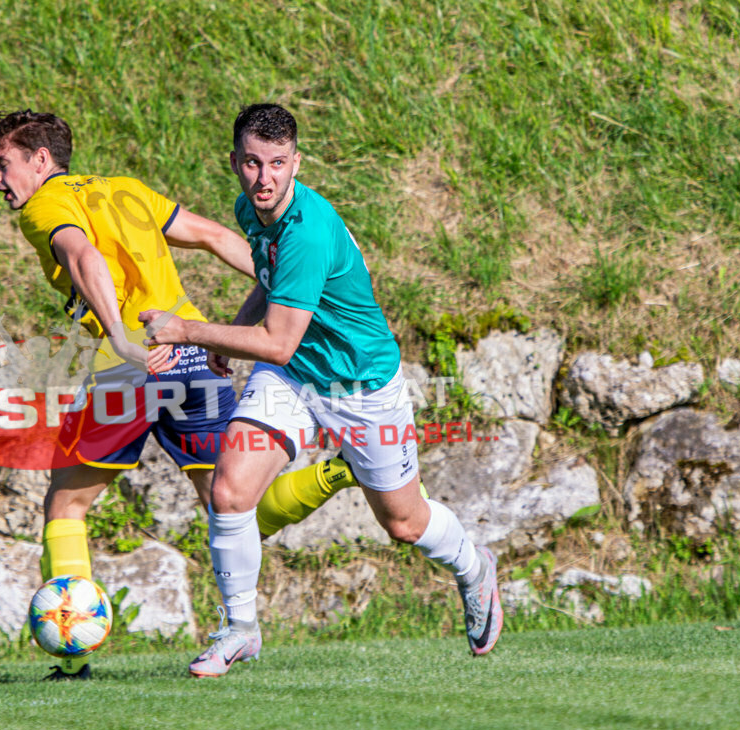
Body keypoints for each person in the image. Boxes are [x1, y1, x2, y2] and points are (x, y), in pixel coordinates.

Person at [0, 109, 356, 679]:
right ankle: (338, 473)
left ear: (40, 160)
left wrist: (122, 339)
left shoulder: (45, 206)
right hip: (193, 357)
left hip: (129, 367)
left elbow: (85, 258)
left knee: (67, 506)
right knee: (229, 504)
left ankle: (73, 652)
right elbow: (212, 237)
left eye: (1, 163)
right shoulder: (125, 191)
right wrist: (277, 281)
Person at [141, 103, 502, 678]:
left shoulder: (309, 230)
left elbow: (279, 340)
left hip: (359, 386)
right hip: (294, 378)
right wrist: (229, 336)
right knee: (230, 491)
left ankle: (472, 566)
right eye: (253, 163)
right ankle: (239, 630)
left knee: (405, 524)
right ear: (235, 162)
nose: (265, 178)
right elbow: (271, 287)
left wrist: (188, 330)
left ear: (296, 163)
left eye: (278, 164)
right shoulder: (252, 209)